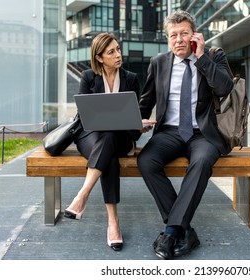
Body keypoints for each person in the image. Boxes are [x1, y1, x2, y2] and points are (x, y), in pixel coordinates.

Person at [137, 10, 234, 260]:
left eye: (184, 34)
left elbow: (225, 88)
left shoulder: (213, 57)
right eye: (173, 35)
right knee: (146, 161)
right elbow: (145, 102)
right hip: (169, 131)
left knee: (201, 162)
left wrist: (201, 58)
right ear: (167, 39)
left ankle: (170, 231)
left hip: (203, 133)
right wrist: (136, 122)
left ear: (195, 35)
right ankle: (186, 230)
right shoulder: (159, 62)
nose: (178, 39)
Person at [63, 32, 155, 251]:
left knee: (111, 138)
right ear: (100, 57)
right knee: (108, 150)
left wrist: (138, 123)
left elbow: (136, 113)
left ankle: (82, 196)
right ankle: (113, 222)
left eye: (118, 49)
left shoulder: (131, 78)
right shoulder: (88, 77)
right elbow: (84, 115)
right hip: (91, 137)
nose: (118, 55)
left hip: (122, 137)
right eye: (111, 52)